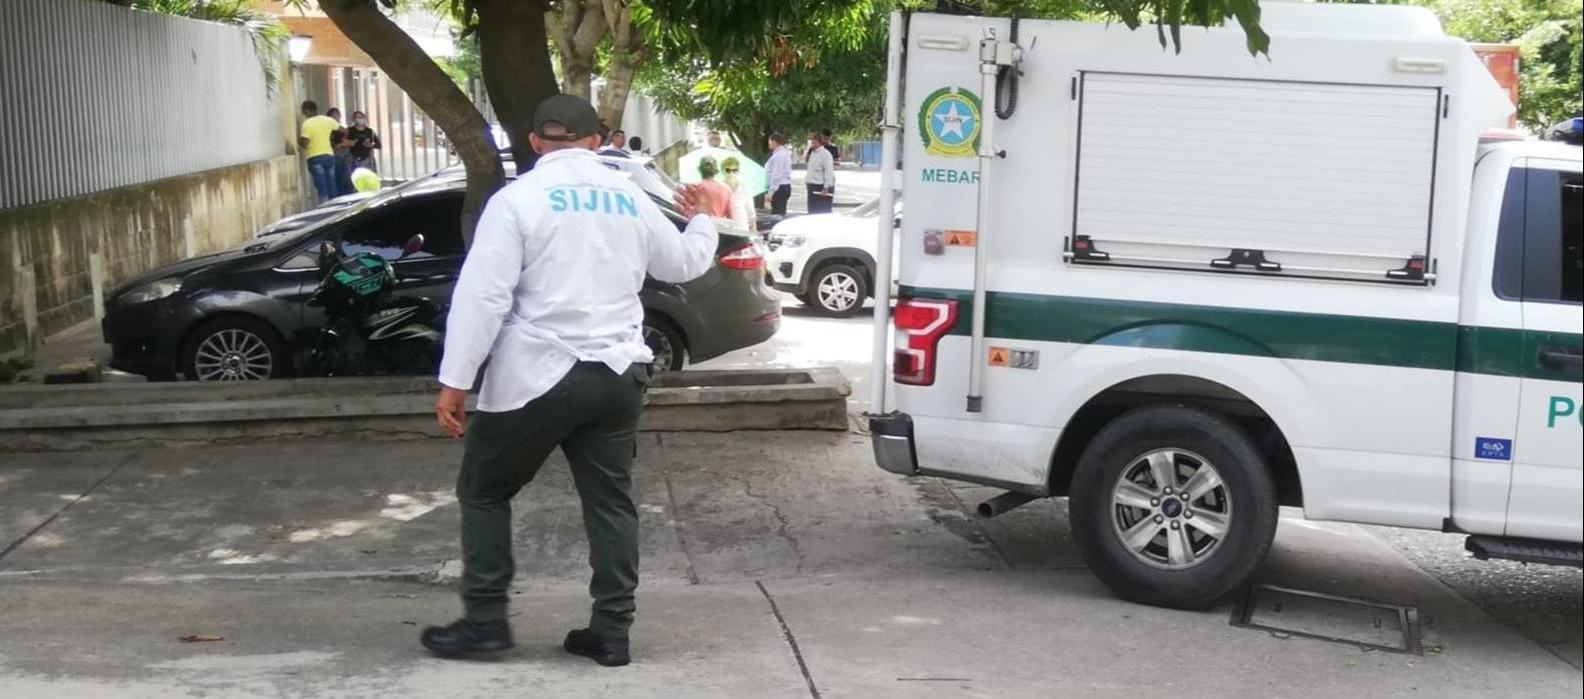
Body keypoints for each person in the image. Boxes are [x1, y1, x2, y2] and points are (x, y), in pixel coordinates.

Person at [422, 94, 718, 665]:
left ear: (535, 142)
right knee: (610, 501)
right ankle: (611, 631)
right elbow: (681, 264)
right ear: (596, 140)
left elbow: (483, 297)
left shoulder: (517, 200)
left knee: (485, 491)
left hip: (536, 374)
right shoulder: (629, 196)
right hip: (618, 374)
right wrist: (703, 215)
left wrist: (456, 380)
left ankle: (485, 621)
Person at [298, 101, 340, 203]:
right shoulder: (327, 120)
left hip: (315, 157)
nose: (303, 114)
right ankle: (337, 208)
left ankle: (325, 211)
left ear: (307, 111)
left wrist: (299, 141)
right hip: (329, 156)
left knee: (322, 187)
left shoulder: (307, 124)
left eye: (303, 111)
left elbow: (305, 143)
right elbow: (343, 130)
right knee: (331, 185)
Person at [721, 156, 756, 233]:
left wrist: (754, 230)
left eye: (734, 170)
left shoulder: (744, 187)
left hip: (742, 226)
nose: (731, 173)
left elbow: (750, 211)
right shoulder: (720, 188)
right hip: (725, 227)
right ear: (722, 171)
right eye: (728, 170)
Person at [327, 108, 356, 197]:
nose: (336, 118)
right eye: (334, 116)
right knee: (337, 182)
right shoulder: (328, 130)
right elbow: (333, 145)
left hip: (346, 158)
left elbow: (353, 142)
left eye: (337, 116)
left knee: (347, 181)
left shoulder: (343, 130)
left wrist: (347, 142)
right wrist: (342, 144)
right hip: (335, 158)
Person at [804, 131, 835, 214]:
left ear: (818, 143)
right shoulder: (812, 154)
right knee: (812, 212)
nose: (811, 145)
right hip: (812, 186)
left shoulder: (826, 154)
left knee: (821, 212)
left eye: (813, 143)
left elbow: (829, 172)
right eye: (811, 143)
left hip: (820, 187)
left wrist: (826, 188)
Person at [764, 133, 793, 216]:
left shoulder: (779, 156)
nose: (768, 143)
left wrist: (771, 192)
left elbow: (776, 175)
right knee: (780, 211)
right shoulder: (783, 153)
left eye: (769, 141)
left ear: (774, 142)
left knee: (777, 214)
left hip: (779, 188)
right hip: (783, 186)